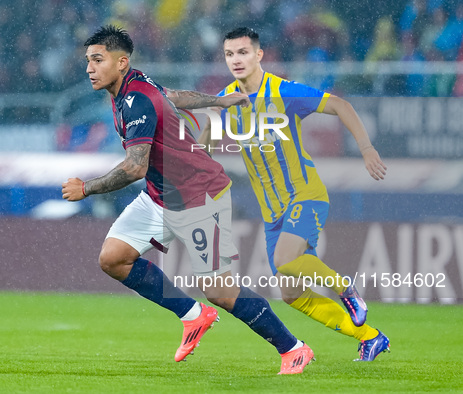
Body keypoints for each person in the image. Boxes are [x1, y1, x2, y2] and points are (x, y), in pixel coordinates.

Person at [62, 25, 313, 374]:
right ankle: (193, 315)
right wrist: (217, 101)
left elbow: (135, 167)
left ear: (121, 62)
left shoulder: (137, 100)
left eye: (97, 60)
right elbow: (174, 96)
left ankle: (294, 348)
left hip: (198, 197)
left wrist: (86, 189)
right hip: (160, 195)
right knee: (114, 258)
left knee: (220, 292)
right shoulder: (134, 84)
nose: (89, 68)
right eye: (88, 60)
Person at [197, 27, 390, 362]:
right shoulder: (226, 99)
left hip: (305, 195)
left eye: (243, 52)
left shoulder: (283, 92)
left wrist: (367, 148)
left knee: (285, 260)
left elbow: (340, 105)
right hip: (272, 212)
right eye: (230, 54)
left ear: (258, 55)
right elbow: (206, 142)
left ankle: (346, 289)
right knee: (292, 294)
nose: (236, 60)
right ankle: (370, 337)